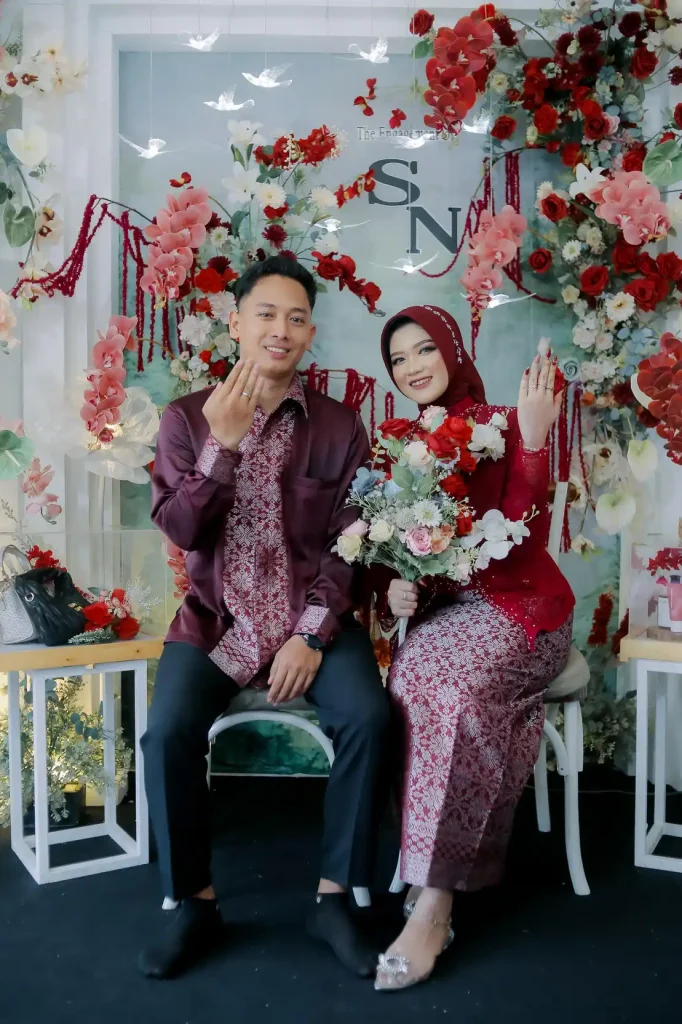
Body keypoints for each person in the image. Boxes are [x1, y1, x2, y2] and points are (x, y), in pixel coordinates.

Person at [139, 256, 391, 981]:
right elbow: (181, 530)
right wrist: (219, 447)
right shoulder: (186, 418)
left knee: (369, 719)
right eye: (266, 314)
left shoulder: (340, 426)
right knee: (166, 733)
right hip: (215, 622)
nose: (281, 329)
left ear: (310, 334)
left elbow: (352, 541)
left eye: (296, 317)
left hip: (315, 623)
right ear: (237, 323)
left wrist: (311, 634)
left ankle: (335, 899)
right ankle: (193, 902)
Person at [371, 305, 575, 992]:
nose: (413, 367)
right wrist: (397, 588)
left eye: (425, 349)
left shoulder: (503, 423)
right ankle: (421, 855)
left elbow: (526, 532)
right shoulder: (397, 445)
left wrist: (535, 439)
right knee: (406, 682)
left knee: (456, 690)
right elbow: (395, 554)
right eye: (399, 359)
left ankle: (436, 901)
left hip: (523, 610)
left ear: (453, 349)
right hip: (446, 616)